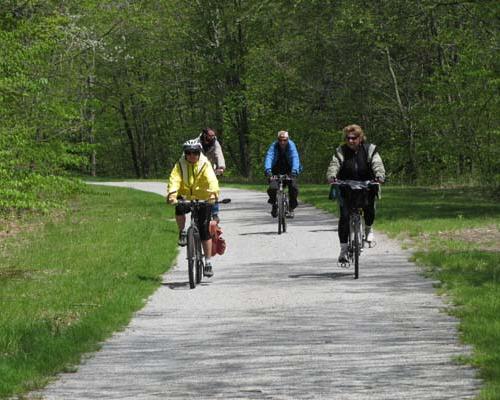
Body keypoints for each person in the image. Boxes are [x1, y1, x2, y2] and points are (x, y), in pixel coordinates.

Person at [326, 124, 385, 263]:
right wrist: (331, 176)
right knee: (344, 217)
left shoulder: (370, 149)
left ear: (360, 138)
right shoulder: (341, 150)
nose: (350, 141)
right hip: (346, 186)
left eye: (354, 138)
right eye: (348, 138)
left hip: (367, 185)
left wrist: (379, 176)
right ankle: (344, 249)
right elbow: (334, 164)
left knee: (369, 209)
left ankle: (368, 229)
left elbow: (377, 164)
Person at [166, 139, 220, 277]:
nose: (192, 155)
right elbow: (174, 179)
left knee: (204, 231)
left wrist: (213, 195)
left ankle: (207, 263)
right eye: (188, 153)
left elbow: (212, 180)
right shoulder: (180, 164)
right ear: (185, 153)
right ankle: (182, 231)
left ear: (199, 152)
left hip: (203, 198)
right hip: (185, 196)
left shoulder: (205, 164)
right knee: (179, 208)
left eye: (195, 152)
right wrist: (172, 195)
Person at [264, 130, 302, 218]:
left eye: (284, 140)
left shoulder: (291, 146)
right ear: (278, 139)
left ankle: (291, 208)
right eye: (280, 140)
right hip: (275, 170)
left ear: (288, 139)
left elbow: (294, 157)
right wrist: (268, 171)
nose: (282, 142)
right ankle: (274, 205)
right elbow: (269, 157)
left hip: (289, 170)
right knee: (272, 187)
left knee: (293, 187)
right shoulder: (274, 146)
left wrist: (294, 171)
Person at [195, 128, 226, 222]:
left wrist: (220, 167)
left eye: (213, 136)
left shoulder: (215, 143)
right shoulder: (196, 142)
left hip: (210, 169)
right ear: (204, 135)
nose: (212, 138)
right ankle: (196, 213)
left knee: (213, 189)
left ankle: (215, 213)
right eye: (210, 136)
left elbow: (219, 154)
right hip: (197, 169)